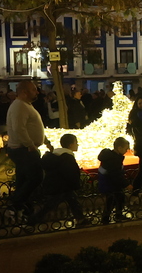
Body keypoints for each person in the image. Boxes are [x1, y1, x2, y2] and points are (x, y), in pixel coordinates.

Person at [5, 79, 47, 220]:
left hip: (25, 148)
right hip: (23, 149)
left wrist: (45, 141)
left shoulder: (25, 105)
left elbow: (31, 126)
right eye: (34, 89)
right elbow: (19, 128)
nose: (37, 92)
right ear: (24, 92)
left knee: (24, 180)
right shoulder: (20, 106)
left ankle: (22, 208)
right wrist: (30, 144)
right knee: (36, 177)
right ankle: (15, 204)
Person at [33, 133, 88, 226]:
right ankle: (33, 220)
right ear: (71, 145)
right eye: (76, 143)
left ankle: (81, 219)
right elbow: (70, 172)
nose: (77, 145)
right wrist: (75, 183)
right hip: (62, 186)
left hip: (57, 185)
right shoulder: (67, 157)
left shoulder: (55, 155)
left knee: (72, 200)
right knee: (51, 204)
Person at [97, 137, 131, 224]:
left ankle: (112, 216)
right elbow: (116, 174)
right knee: (113, 200)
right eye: (126, 149)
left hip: (107, 182)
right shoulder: (114, 159)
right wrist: (126, 184)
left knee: (117, 199)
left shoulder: (110, 156)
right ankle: (108, 217)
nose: (126, 151)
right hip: (110, 184)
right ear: (119, 148)